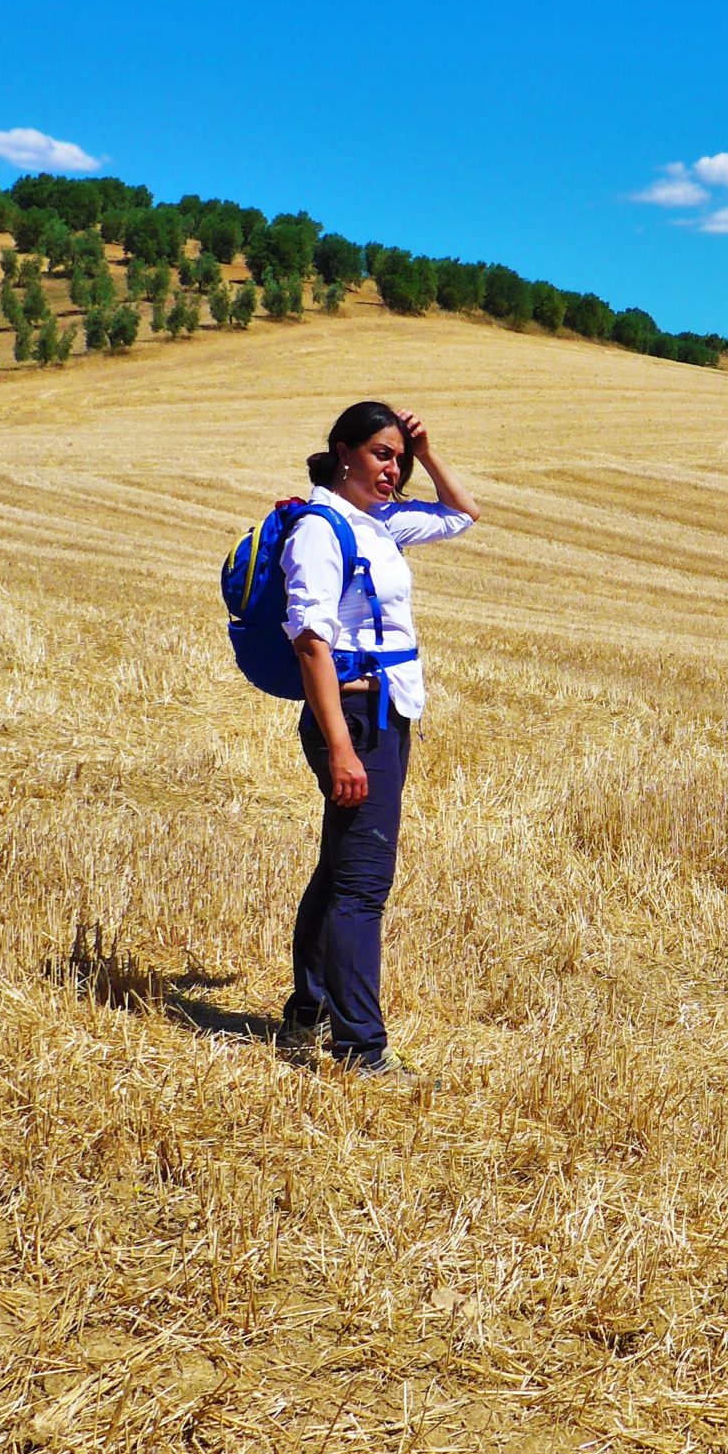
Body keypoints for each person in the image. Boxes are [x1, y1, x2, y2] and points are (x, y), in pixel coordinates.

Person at [277, 400, 480, 1078]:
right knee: (364, 883)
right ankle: (361, 1046)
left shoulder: (380, 522)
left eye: (399, 458)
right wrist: (338, 747)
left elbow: (461, 514)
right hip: (356, 720)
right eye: (380, 454)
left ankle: (308, 1005)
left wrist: (428, 447)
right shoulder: (321, 529)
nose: (393, 469)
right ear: (343, 451)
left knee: (339, 868)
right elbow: (310, 642)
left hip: (387, 713)